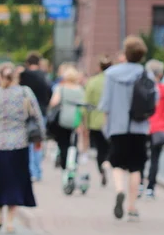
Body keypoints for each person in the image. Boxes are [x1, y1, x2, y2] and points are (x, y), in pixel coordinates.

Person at [0, 63, 42, 233]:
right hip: (19, 142)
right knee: (16, 181)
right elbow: (37, 115)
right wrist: (40, 138)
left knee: (0, 180)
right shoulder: (24, 92)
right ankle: (10, 220)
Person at [99, 36, 153, 220]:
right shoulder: (146, 74)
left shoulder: (111, 74)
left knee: (117, 163)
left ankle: (119, 190)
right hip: (139, 127)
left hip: (117, 126)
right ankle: (131, 206)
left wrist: (106, 123)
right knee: (136, 167)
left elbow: (105, 103)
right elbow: (154, 101)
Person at [20, 52, 53, 182]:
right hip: (42, 112)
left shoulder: (24, 75)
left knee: (27, 143)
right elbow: (49, 93)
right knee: (37, 142)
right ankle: (37, 171)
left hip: (27, 114)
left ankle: (29, 171)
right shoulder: (44, 76)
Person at [48, 65, 86, 171]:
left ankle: (65, 165)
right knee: (73, 142)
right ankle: (74, 162)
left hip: (63, 119)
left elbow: (53, 102)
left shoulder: (61, 88)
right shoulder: (80, 90)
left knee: (63, 143)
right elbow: (83, 107)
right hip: (75, 119)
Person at [84, 55, 113, 186]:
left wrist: (85, 122)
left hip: (95, 120)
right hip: (112, 120)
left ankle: (101, 168)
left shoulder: (93, 81)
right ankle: (107, 163)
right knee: (109, 147)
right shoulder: (113, 81)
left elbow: (86, 103)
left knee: (99, 149)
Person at [147, 60, 164, 199]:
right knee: (155, 158)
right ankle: (150, 188)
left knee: (141, 157)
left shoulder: (145, 89)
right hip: (161, 128)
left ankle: (140, 183)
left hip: (145, 127)